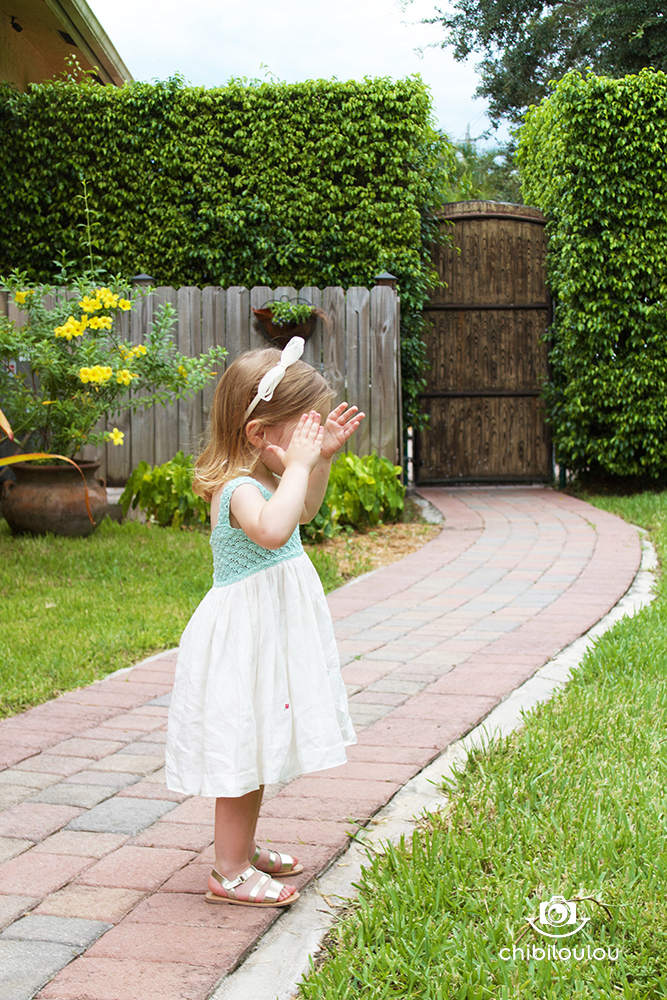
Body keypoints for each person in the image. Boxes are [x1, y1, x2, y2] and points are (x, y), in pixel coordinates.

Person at [165, 337, 364, 908]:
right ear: (258, 435)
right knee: (240, 748)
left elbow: (302, 512)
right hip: (242, 641)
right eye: (300, 429)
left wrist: (317, 461)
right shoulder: (237, 490)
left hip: (267, 635)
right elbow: (274, 530)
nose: (308, 437)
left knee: (255, 746)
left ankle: (241, 848)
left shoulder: (272, 480)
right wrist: (300, 464)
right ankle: (228, 872)